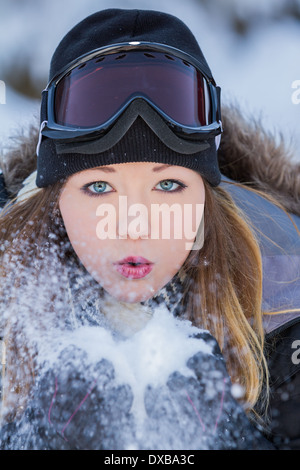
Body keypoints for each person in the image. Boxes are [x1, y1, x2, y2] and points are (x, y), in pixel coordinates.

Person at [0, 8, 299, 450]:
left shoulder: (285, 299)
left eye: (168, 184)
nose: (134, 227)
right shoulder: (10, 286)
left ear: (206, 197)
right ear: (56, 199)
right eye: (99, 186)